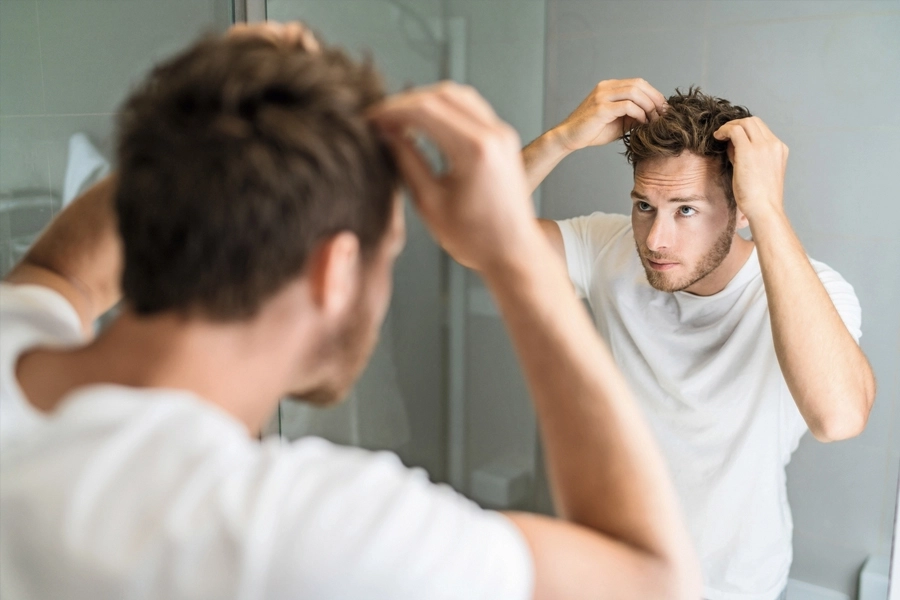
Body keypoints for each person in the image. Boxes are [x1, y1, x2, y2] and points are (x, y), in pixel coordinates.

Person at [0, 23, 701, 600]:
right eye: (387, 250)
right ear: (334, 270)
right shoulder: (298, 534)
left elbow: (57, 270)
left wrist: (210, 126)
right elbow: (654, 579)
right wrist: (514, 254)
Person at [522, 79, 877, 600]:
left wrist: (769, 212)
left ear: (740, 208)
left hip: (733, 583)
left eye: (686, 210)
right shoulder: (608, 247)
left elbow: (839, 417)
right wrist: (559, 139)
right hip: (614, 567)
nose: (656, 240)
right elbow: (467, 237)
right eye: (645, 206)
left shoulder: (813, 290)